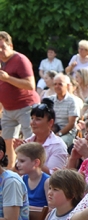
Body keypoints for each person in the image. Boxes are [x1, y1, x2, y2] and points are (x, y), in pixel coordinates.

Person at [0, 31, 41, 169]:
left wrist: (7, 78)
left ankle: (34, 167)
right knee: (7, 140)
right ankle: (11, 168)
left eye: (3, 47)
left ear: (10, 45)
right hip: (7, 109)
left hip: (26, 106)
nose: (1, 51)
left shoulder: (20, 59)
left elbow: (30, 85)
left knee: (31, 138)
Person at [23, 100, 68, 172]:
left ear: (50, 122)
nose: (32, 123)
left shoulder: (58, 145)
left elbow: (53, 176)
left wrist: (28, 155)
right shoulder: (27, 142)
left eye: (38, 119)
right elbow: (19, 171)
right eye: (32, 118)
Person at [49, 74, 80, 148]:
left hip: (67, 133)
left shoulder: (72, 101)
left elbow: (71, 124)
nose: (57, 86)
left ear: (68, 85)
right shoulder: (50, 100)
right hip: (51, 130)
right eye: (55, 84)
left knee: (57, 144)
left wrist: (58, 134)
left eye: (60, 84)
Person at [15, 143, 49, 207]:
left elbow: (52, 210)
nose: (17, 165)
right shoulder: (22, 179)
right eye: (17, 161)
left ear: (36, 162)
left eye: (22, 161)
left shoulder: (47, 182)